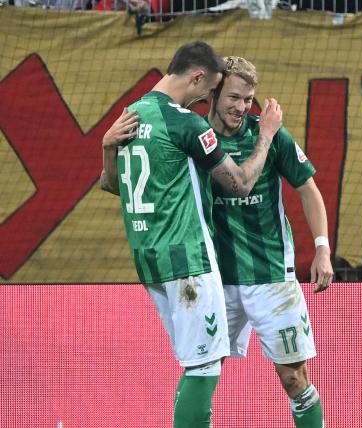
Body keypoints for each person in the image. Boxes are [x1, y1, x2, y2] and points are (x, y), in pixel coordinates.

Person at [99, 41, 283, 428]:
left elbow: (111, 183)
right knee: (204, 364)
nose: (207, 99)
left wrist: (105, 147)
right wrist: (266, 135)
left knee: (197, 359)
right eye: (209, 90)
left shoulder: (132, 112)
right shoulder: (185, 122)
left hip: (148, 258)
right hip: (187, 259)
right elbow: (240, 184)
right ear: (197, 77)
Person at [206, 56, 333, 427]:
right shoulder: (194, 134)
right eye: (233, 97)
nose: (242, 108)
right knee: (203, 374)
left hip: (272, 276)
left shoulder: (270, 133)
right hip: (216, 278)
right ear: (212, 93)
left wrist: (323, 248)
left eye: (248, 99)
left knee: (294, 378)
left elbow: (308, 190)